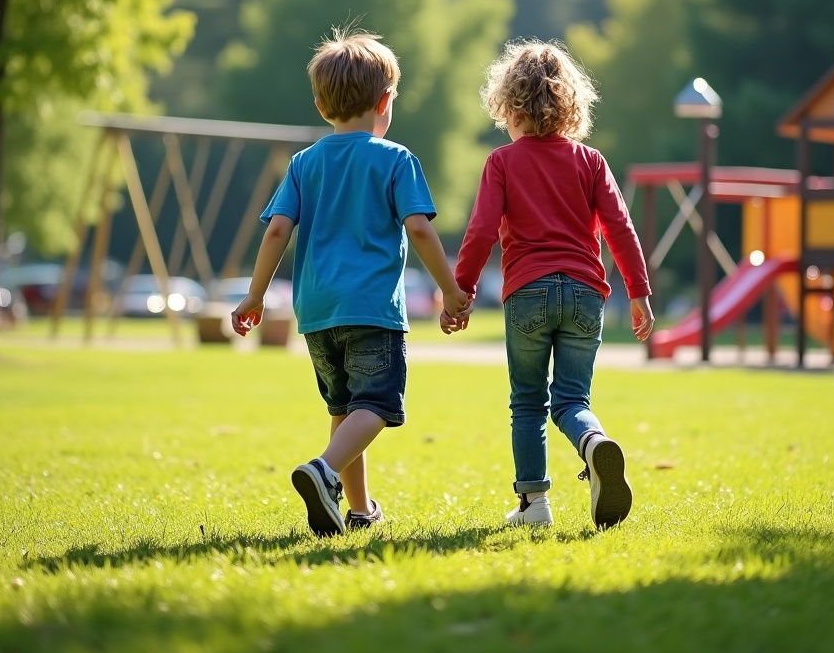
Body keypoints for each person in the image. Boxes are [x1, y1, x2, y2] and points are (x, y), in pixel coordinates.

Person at [232, 28, 470, 537]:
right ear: (386, 101)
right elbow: (420, 228)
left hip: (316, 312)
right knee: (377, 405)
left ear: (321, 107)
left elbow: (277, 229)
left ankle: (358, 509)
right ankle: (322, 471)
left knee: (345, 408)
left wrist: (255, 295)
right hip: (371, 309)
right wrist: (450, 291)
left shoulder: (304, 163)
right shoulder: (395, 159)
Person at [442, 40, 654, 529]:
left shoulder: (502, 163)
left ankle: (534, 506)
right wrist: (639, 293)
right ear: (570, 105)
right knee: (572, 401)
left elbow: (479, 231)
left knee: (528, 402)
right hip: (585, 293)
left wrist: (461, 293)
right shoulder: (591, 161)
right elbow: (620, 227)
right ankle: (594, 441)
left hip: (528, 293)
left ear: (509, 104)